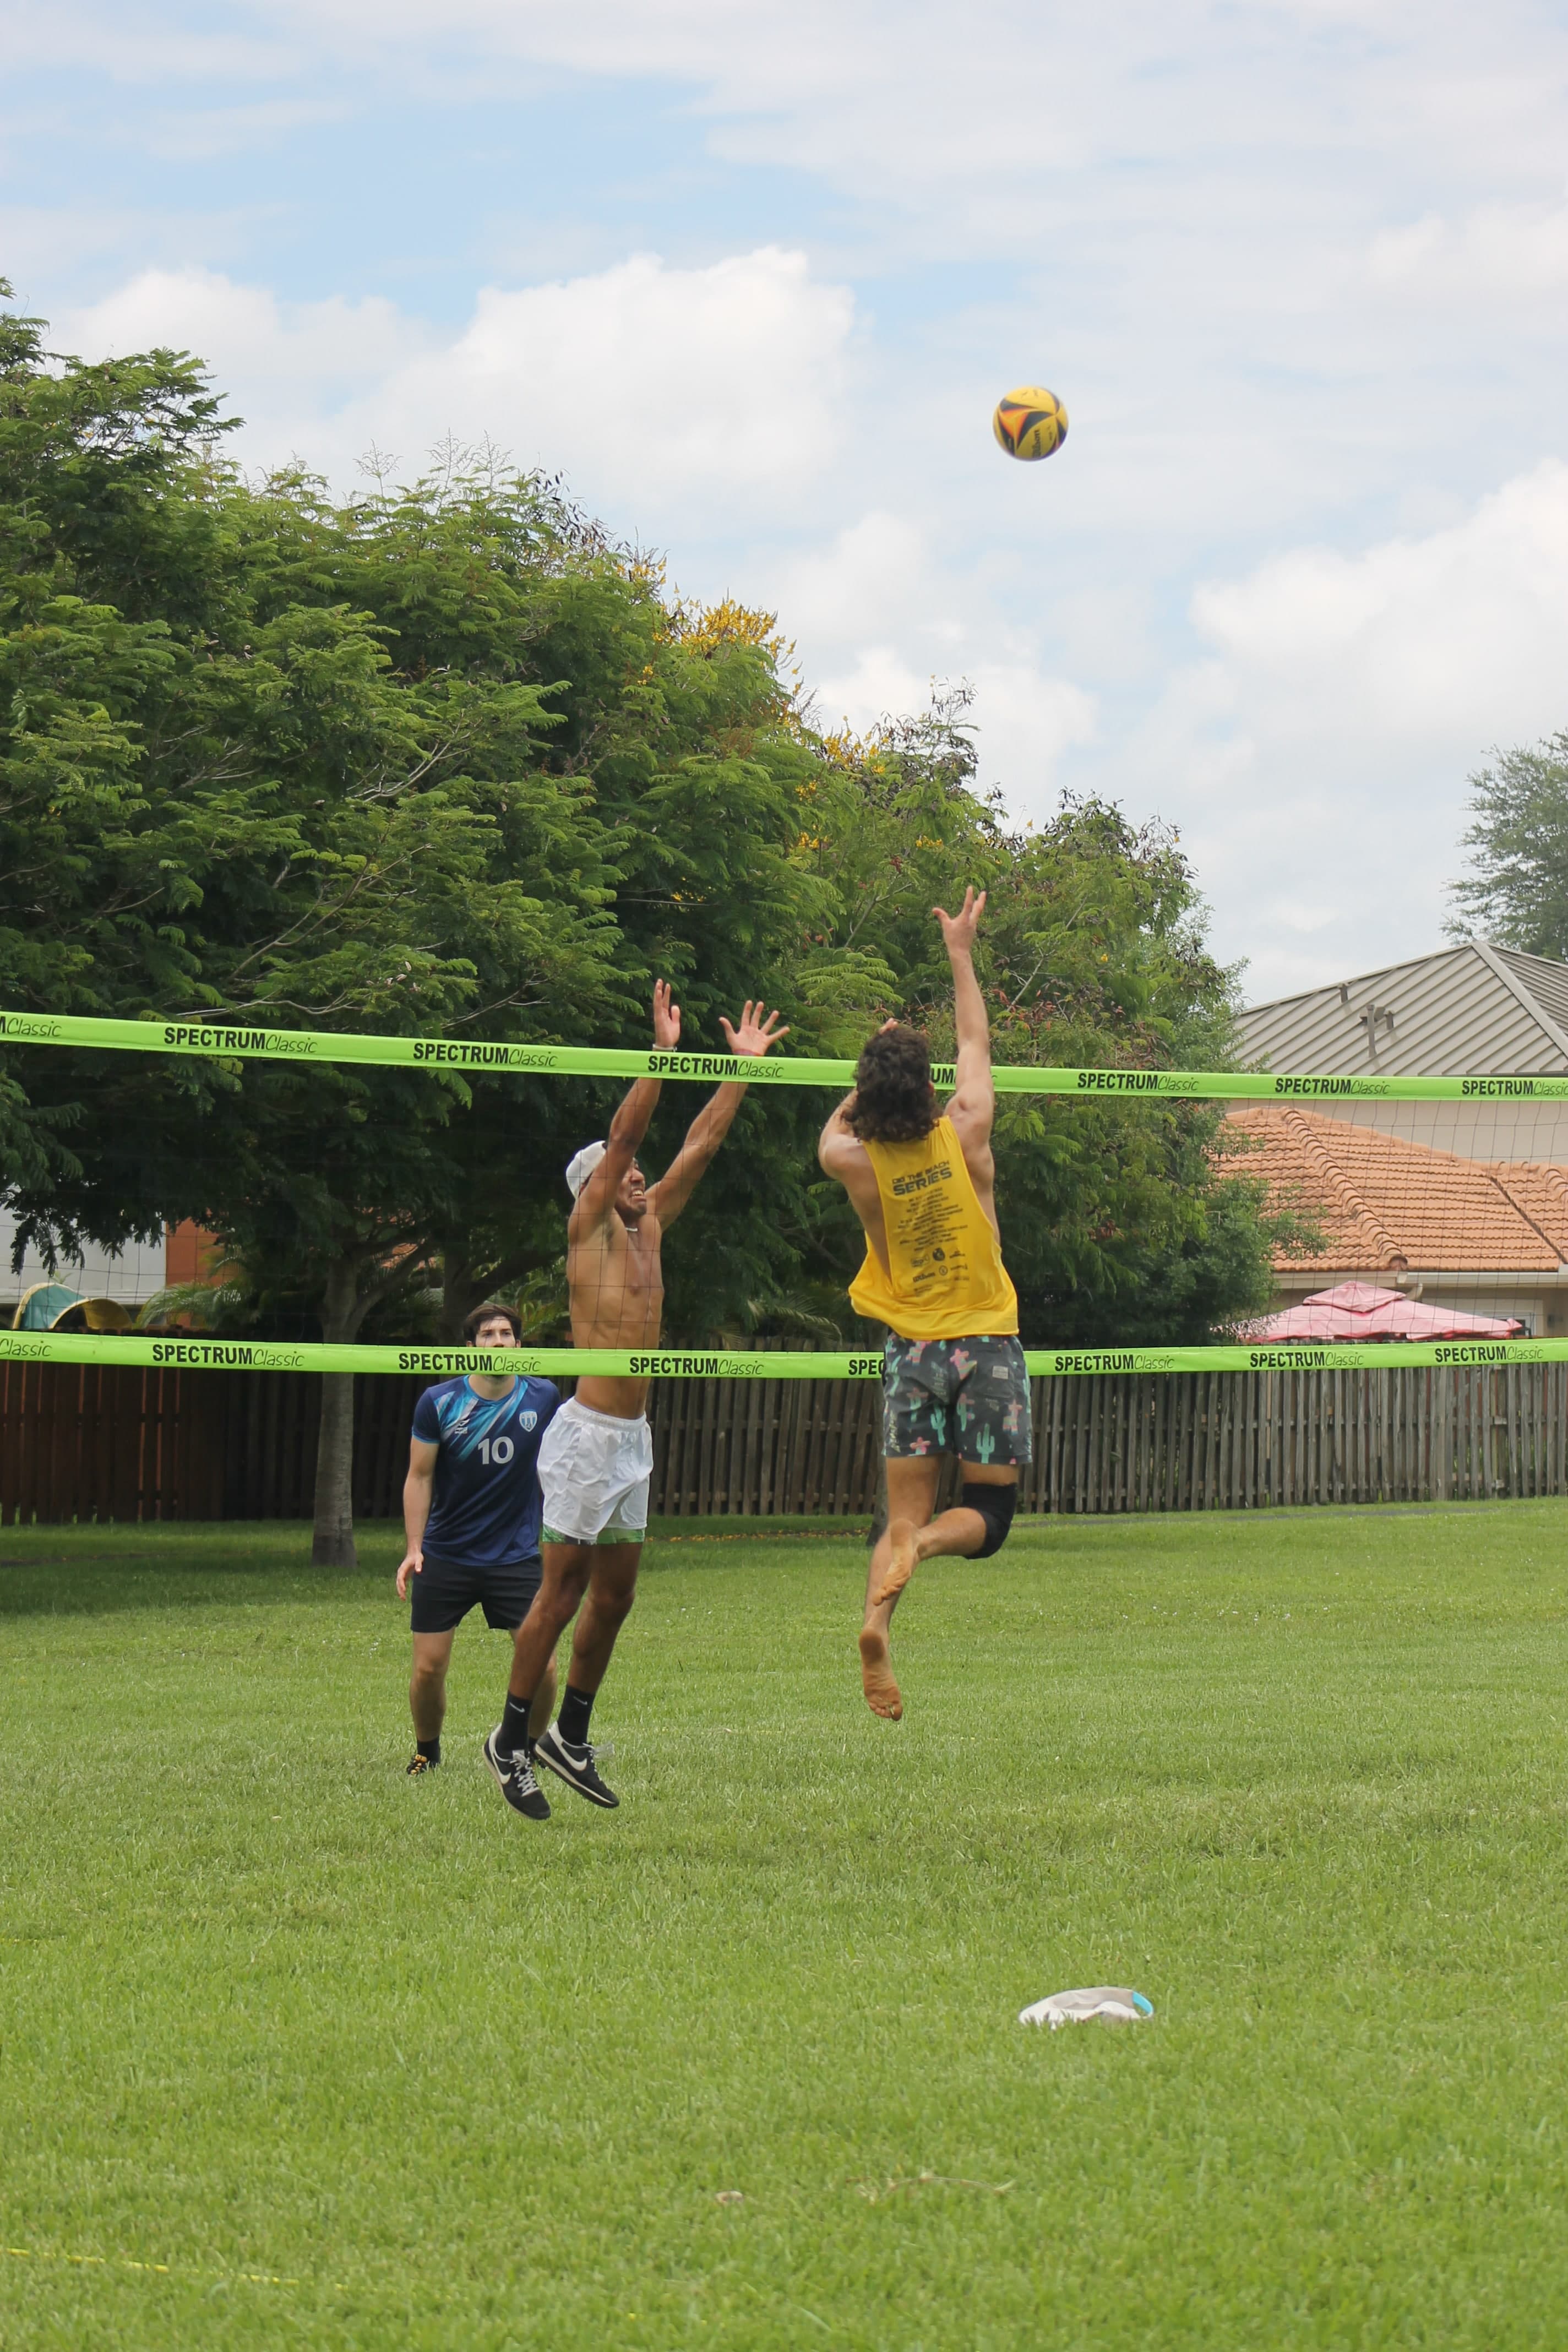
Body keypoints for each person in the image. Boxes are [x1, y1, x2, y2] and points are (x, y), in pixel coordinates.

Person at [483, 983, 788, 1821]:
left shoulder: (650, 1226)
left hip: (633, 1439)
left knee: (615, 1597)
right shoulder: (588, 1230)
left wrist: (741, 1070)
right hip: (586, 1438)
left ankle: (571, 1736)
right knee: (561, 1595)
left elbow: (700, 1144)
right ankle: (509, 1741)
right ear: (595, 1186)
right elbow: (627, 1136)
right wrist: (661, 1056)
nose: (640, 1176)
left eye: (640, 1176)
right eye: (625, 1174)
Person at [818, 886, 1030, 1722]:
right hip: (986, 1341)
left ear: (868, 1101)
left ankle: (877, 1624)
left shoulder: (852, 1160)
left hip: (910, 1350)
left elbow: (833, 1132)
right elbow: (975, 1039)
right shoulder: (967, 1126)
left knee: (895, 1516)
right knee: (990, 1514)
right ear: (931, 1090)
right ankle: (930, 1543)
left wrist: (866, 1078)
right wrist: (960, 952)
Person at [396, 1301, 560, 1776]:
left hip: (515, 1555)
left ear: (519, 1346)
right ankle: (427, 1751)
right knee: (428, 1669)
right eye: (488, 1335)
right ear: (470, 1348)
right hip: (447, 1553)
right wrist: (414, 1548)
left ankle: (526, 1750)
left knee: (545, 1667)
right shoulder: (440, 1402)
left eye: (506, 1334)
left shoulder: (543, 1397)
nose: (498, 1342)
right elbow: (419, 1476)